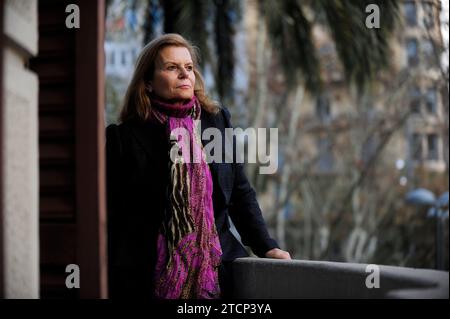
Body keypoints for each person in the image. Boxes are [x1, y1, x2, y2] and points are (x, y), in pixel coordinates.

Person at [106, 33, 290, 299]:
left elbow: (239, 192)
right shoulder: (123, 139)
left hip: (218, 272)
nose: (184, 74)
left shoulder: (216, 122)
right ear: (147, 82)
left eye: (189, 67)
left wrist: (267, 247)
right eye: (172, 67)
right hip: (145, 276)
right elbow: (112, 217)